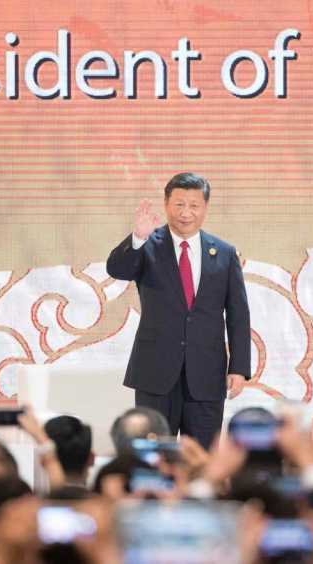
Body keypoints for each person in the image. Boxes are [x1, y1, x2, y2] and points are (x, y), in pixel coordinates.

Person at [106, 172, 250, 449]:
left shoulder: (224, 253)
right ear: (166, 204)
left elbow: (238, 315)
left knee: (203, 455)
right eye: (179, 204)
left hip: (207, 374)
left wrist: (239, 368)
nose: (186, 213)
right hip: (155, 372)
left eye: (194, 205)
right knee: (154, 453)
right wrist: (138, 237)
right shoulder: (148, 244)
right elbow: (117, 269)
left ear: (205, 207)